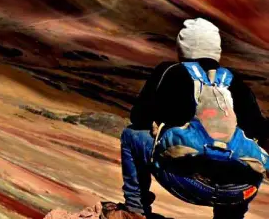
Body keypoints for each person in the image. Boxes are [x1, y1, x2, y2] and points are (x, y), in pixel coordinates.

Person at [108, 18, 269, 219]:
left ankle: (135, 211)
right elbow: (260, 131)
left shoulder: (171, 71)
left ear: (183, 47)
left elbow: (139, 117)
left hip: (190, 182)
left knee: (131, 135)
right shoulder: (236, 82)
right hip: (239, 190)